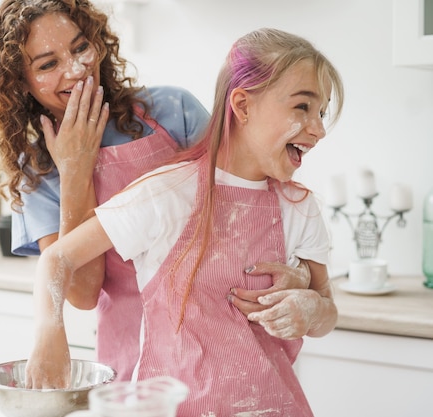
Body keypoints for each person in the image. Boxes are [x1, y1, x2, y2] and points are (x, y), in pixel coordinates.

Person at [0, 0, 314, 382]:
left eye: (80, 47)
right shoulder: (36, 170)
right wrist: (74, 172)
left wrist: (301, 276)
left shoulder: (171, 112)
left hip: (228, 335)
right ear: (21, 82)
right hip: (134, 354)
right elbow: (83, 293)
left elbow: (256, 208)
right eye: (48, 64)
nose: (75, 69)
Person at [25, 27, 344, 417]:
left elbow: (328, 310)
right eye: (302, 107)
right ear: (242, 106)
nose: (319, 128)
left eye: (322, 112)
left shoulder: (301, 207)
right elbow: (57, 259)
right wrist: (50, 334)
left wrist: (313, 307)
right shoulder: (167, 193)